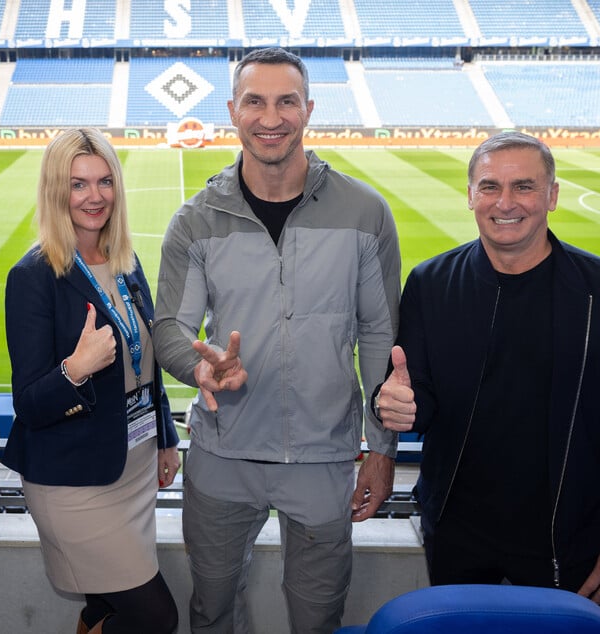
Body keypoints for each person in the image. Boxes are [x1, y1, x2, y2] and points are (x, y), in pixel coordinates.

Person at [375, 130, 600, 604]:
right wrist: (395, 405)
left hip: (569, 541)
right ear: (471, 195)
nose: (506, 203)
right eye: (490, 186)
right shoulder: (430, 284)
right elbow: (420, 400)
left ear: (553, 195)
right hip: (458, 538)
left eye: (524, 186)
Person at [154, 48, 402, 633]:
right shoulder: (196, 220)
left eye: (286, 100)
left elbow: (379, 335)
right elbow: (171, 329)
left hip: (325, 459)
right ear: (233, 111)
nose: (271, 117)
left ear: (308, 109)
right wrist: (199, 369)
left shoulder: (365, 212)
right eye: (255, 101)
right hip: (221, 456)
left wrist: (383, 448)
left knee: (318, 618)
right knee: (211, 611)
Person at [2, 128, 180, 634]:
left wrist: (166, 436)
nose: (95, 196)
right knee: (154, 617)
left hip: (135, 465)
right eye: (78, 184)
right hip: (75, 481)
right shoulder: (34, 276)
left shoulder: (126, 261)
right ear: (56, 191)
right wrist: (75, 369)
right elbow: (30, 404)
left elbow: (148, 365)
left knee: (106, 607)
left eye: (105, 182)